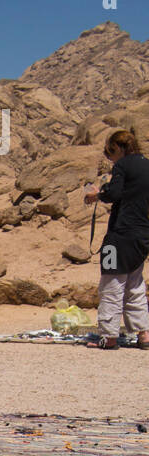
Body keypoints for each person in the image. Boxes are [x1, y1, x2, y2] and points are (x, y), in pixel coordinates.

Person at [83, 129, 149, 350]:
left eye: (111, 152)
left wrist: (97, 194)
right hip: (142, 235)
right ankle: (144, 335)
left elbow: (115, 194)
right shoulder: (147, 165)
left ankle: (109, 337)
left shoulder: (122, 166)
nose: (111, 158)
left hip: (119, 236)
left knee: (111, 284)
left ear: (120, 148)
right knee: (135, 284)